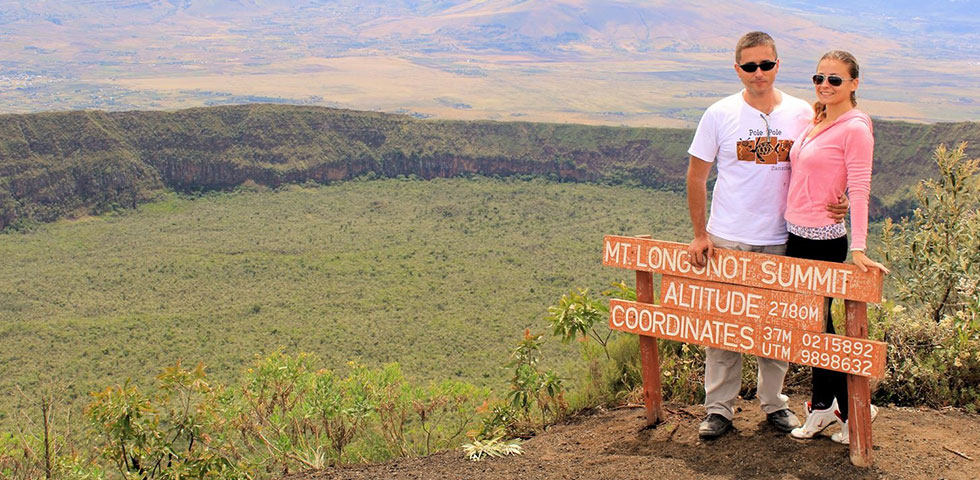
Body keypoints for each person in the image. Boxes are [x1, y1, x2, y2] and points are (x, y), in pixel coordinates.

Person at [686, 31, 848, 439]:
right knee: (724, 329)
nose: (759, 74)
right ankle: (719, 409)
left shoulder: (801, 112)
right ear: (737, 68)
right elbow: (696, 175)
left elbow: (824, 162)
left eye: (766, 64)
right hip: (728, 237)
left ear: (778, 64)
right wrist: (699, 233)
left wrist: (841, 198)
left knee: (777, 329)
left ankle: (774, 405)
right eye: (749, 66)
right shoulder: (719, 113)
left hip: (782, 236)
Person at [785, 50, 889, 444]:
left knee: (819, 331)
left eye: (835, 79)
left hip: (824, 241)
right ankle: (829, 407)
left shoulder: (855, 128)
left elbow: (860, 189)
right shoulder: (819, 120)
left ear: (854, 83)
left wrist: (859, 249)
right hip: (796, 236)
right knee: (812, 326)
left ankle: (843, 410)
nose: (825, 85)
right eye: (819, 78)